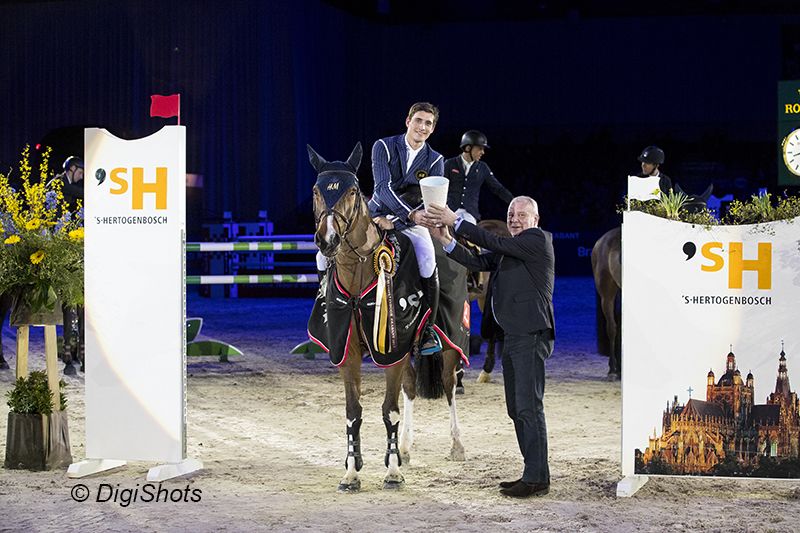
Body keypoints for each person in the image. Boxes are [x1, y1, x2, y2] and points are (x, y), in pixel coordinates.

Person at [423, 196, 555, 498]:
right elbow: (478, 261)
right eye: (510, 214)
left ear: (535, 219)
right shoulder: (512, 248)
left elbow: (490, 241)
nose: (514, 219)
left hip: (530, 335)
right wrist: (445, 240)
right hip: (513, 335)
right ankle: (534, 472)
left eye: (522, 214)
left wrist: (455, 220)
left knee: (528, 407)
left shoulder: (537, 240)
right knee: (517, 408)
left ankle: (536, 477)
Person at [361, 101, 445, 355]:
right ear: (408, 121)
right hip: (376, 214)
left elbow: (428, 201)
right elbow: (382, 188)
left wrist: (398, 221)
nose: (422, 127)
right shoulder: (383, 146)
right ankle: (330, 313)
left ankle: (428, 329)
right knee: (329, 252)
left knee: (428, 258)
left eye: (428, 123)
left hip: (411, 222)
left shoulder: (436, 160)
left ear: (433, 129)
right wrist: (407, 214)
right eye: (418, 120)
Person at [49, 156, 84, 374]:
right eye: (80, 171)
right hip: (53, 241)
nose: (82, 175)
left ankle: (78, 350)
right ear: (71, 169)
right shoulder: (58, 184)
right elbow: (76, 194)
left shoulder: (70, 184)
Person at [443, 130, 513, 224]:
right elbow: (440, 186)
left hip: (469, 213)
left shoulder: (483, 168)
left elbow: (498, 188)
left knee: (469, 229)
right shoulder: (449, 164)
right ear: (468, 148)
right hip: (449, 210)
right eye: (480, 149)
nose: (483, 152)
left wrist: (514, 201)